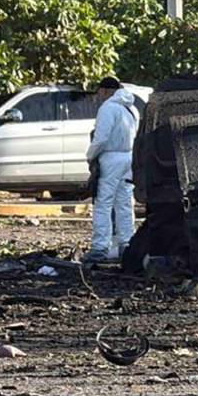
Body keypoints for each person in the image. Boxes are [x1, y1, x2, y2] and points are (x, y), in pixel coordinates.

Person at [83, 77, 140, 264]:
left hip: (110, 159)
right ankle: (127, 245)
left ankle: (100, 247)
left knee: (103, 203)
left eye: (100, 92)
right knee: (124, 203)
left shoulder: (108, 108)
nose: (99, 96)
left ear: (107, 91)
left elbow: (101, 138)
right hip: (128, 157)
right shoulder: (132, 108)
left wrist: (90, 155)